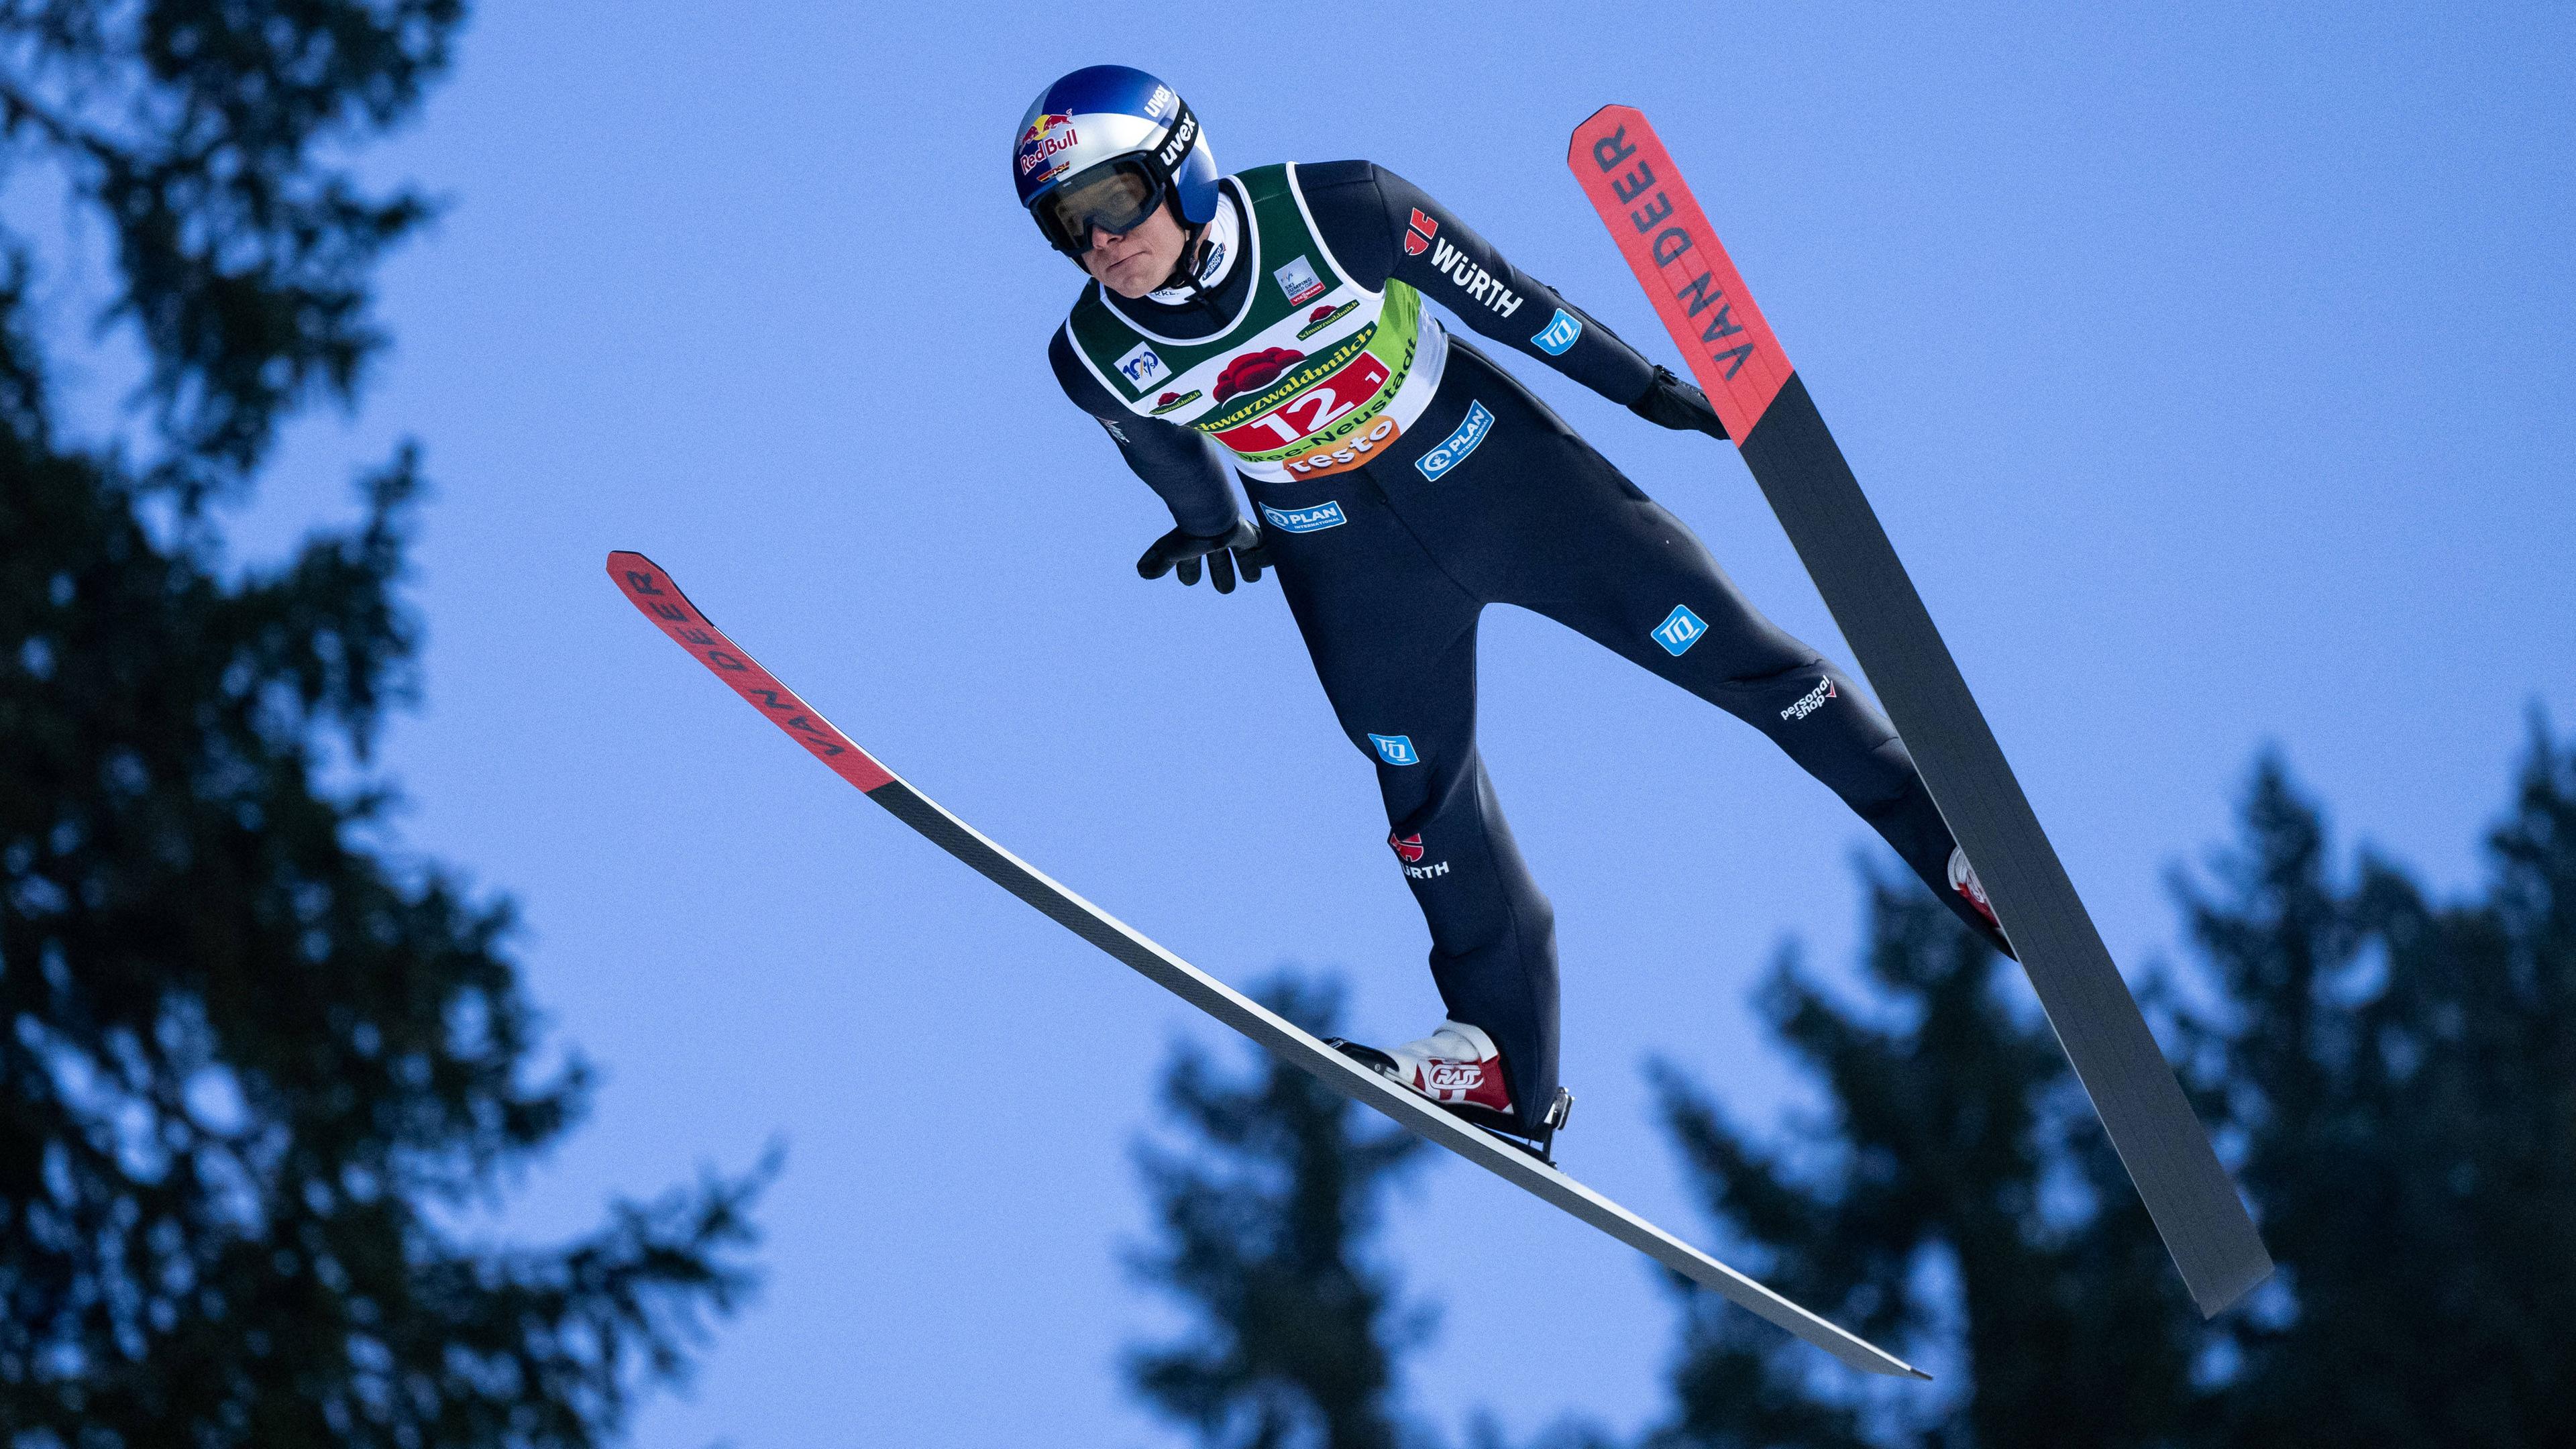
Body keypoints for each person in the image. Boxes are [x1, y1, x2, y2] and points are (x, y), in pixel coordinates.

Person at [1020, 65, 2008, 1152]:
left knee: (1741, 660)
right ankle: (1501, 1065)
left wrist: (1643, 386)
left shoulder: (1341, 209)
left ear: (1184, 170)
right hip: (1349, 566)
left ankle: (1964, 854)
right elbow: (1170, 457)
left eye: (1112, 200)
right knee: (1421, 801)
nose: (1102, 242)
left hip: (1503, 484)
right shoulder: (1094, 356)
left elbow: (1513, 300)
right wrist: (1214, 524)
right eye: (1069, 226)